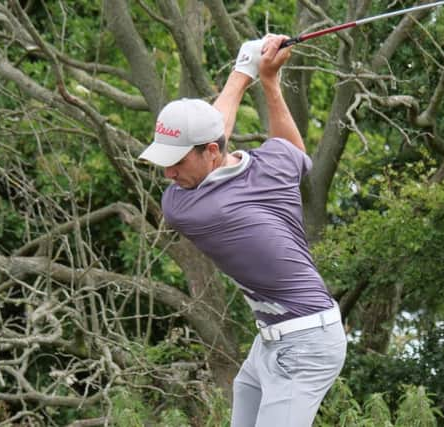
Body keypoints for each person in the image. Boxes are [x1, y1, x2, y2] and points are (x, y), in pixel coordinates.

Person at [138, 34, 346, 427]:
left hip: (304, 346)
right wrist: (267, 80)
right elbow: (293, 151)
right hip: (275, 339)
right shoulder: (272, 167)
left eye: (176, 162)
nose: (168, 174)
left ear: (211, 152)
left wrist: (243, 72)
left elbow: (221, 129)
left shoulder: (194, 209)